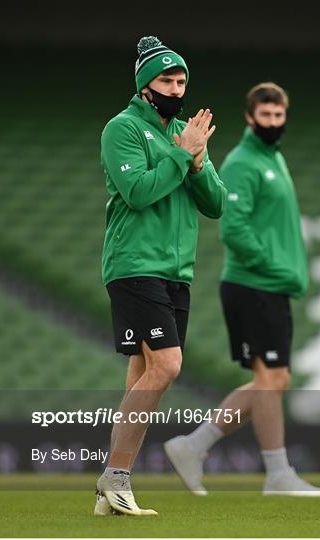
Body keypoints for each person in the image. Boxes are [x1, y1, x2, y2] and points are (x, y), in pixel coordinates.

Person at [164, 82, 320, 497]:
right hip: (253, 284)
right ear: (249, 117)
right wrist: (273, 267)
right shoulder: (243, 161)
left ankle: (193, 445)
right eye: (265, 116)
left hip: (269, 287)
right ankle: (277, 474)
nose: (273, 122)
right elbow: (233, 228)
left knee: (275, 379)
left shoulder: (274, 159)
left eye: (278, 116)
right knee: (270, 377)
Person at [94, 35, 226, 516]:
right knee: (167, 366)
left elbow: (215, 204)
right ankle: (116, 478)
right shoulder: (122, 128)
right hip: (135, 265)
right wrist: (179, 154)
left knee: (143, 373)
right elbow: (137, 192)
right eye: (166, 79)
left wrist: (195, 161)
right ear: (144, 85)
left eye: (181, 79)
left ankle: (114, 485)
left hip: (176, 272)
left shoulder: (182, 134)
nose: (176, 87)